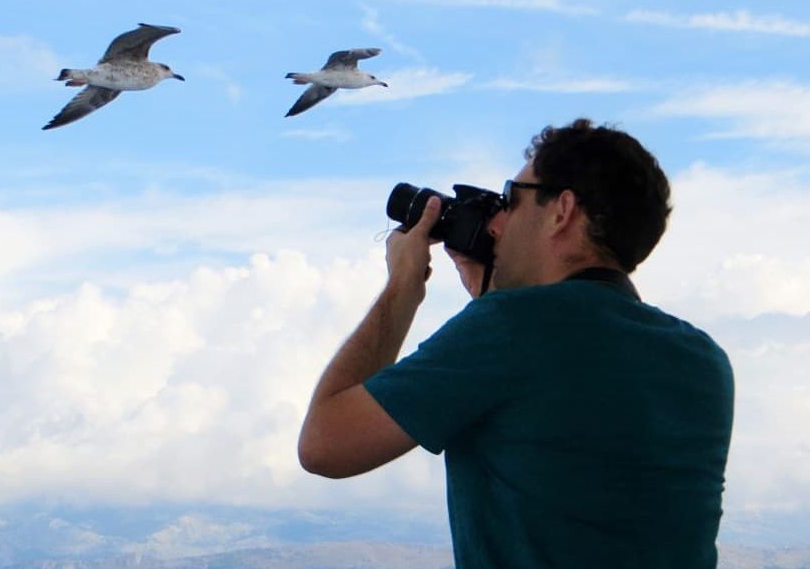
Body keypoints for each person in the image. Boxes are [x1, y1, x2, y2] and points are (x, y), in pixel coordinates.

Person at [298, 119, 734, 568]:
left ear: (562, 210)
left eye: (509, 199)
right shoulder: (704, 361)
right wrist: (492, 302)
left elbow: (324, 445)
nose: (496, 223)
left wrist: (403, 287)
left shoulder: (509, 330)